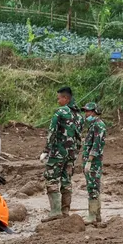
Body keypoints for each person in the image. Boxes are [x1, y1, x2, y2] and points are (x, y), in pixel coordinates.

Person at [42, 88, 80, 218]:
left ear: (66, 99)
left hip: (58, 152)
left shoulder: (60, 112)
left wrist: (46, 150)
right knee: (66, 181)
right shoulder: (79, 115)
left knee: (51, 178)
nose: (58, 101)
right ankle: (65, 211)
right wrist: (75, 153)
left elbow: (52, 131)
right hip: (71, 154)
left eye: (59, 98)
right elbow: (79, 138)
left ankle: (55, 211)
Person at [80, 102, 106, 223]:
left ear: (95, 112)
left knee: (93, 187)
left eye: (88, 111)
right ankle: (96, 215)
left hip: (94, 162)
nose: (86, 114)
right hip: (91, 160)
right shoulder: (94, 125)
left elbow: (96, 145)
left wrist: (89, 161)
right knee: (93, 186)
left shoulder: (99, 125)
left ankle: (93, 215)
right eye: (85, 111)